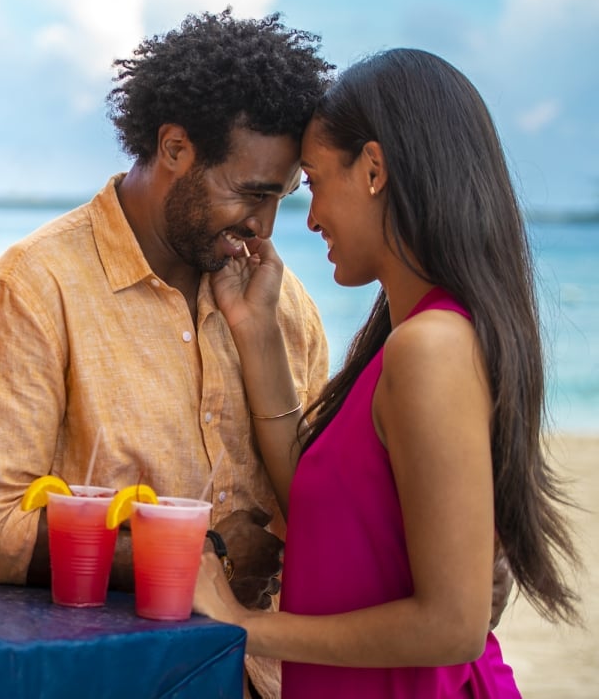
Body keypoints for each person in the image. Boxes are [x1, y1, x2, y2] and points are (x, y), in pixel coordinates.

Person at [194, 48, 581, 698]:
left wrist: (246, 625)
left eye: (313, 182)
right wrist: (258, 333)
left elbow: (452, 626)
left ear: (373, 169)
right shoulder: (409, 342)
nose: (310, 217)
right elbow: (329, 512)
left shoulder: (430, 346)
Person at [0, 9, 335, 699]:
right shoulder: (38, 285)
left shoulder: (287, 306)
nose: (265, 227)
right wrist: (185, 556)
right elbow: (1, 518)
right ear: (176, 148)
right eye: (250, 193)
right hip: (117, 678)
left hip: (269, 677)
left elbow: (322, 502)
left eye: (283, 197)